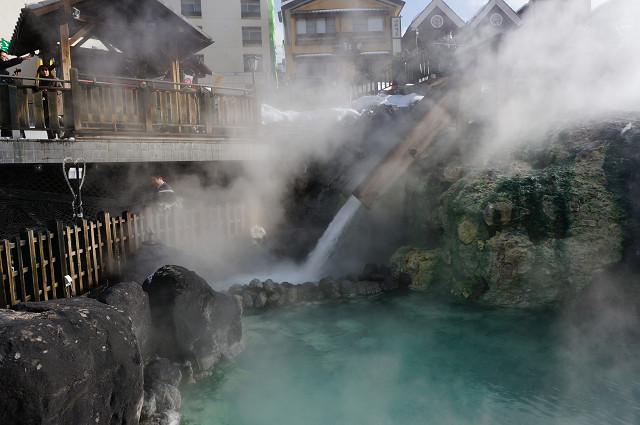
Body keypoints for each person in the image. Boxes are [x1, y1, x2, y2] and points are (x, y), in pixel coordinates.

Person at [1, 50, 31, 138]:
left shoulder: (4, 71)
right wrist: (21, 59)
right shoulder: (2, 66)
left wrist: (12, 78)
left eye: (6, 57)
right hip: (3, 96)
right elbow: (7, 64)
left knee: (10, 114)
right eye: (3, 56)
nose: (5, 59)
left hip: (6, 96)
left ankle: (9, 133)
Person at [36, 64, 64, 139]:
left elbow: (60, 89)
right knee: (47, 121)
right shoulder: (40, 82)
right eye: (42, 70)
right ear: (39, 72)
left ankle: (63, 135)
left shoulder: (54, 79)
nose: (45, 72)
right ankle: (51, 138)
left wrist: (51, 92)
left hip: (55, 103)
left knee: (57, 120)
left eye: (46, 70)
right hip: (46, 104)